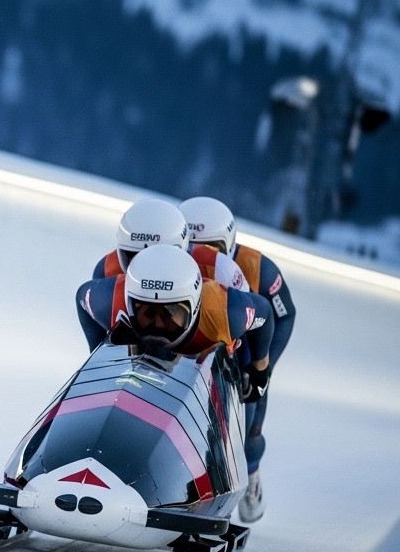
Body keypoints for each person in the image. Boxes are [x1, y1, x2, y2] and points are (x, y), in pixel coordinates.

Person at [180, 196, 297, 519]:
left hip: (242, 351)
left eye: (212, 248)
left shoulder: (258, 268)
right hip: (189, 341)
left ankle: (251, 468)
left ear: (229, 245)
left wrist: (263, 364)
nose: (203, 256)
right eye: (193, 247)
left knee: (249, 421)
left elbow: (284, 315)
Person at [75, 242, 274, 413]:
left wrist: (259, 369)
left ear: (195, 305)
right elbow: (82, 297)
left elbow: (264, 311)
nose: (159, 324)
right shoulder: (109, 299)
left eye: (171, 313)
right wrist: (98, 357)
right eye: (148, 312)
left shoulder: (225, 311)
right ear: (128, 304)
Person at [92, 198, 248, 291]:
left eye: (158, 255)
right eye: (134, 256)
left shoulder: (222, 268)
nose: (148, 267)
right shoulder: (107, 270)